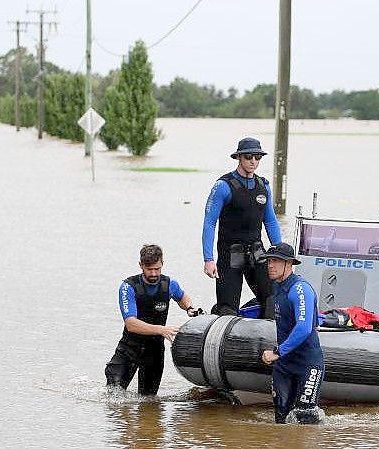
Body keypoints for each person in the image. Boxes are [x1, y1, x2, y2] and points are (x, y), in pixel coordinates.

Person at [105, 244, 201, 395]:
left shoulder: (169, 284)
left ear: (162, 264)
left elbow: (182, 297)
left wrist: (190, 308)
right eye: (149, 269)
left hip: (154, 352)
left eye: (157, 268)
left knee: (148, 401)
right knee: (113, 396)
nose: (154, 273)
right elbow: (131, 324)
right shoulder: (128, 287)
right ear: (141, 265)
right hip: (129, 348)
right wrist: (161, 329)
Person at [202, 137, 282, 317]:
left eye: (257, 157)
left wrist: (281, 253)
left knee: (272, 301)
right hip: (230, 254)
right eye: (248, 157)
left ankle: (269, 341)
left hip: (257, 252)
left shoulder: (264, 186)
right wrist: (208, 259)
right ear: (239, 157)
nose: (253, 161)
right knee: (228, 309)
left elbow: (270, 221)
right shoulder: (223, 186)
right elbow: (209, 223)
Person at [260, 243, 325, 424]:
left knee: (305, 419)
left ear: (289, 264)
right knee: (281, 418)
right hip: (284, 365)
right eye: (269, 261)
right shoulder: (276, 286)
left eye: (275, 261)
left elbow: (304, 328)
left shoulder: (300, 289)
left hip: (308, 364)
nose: (270, 265)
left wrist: (278, 352)